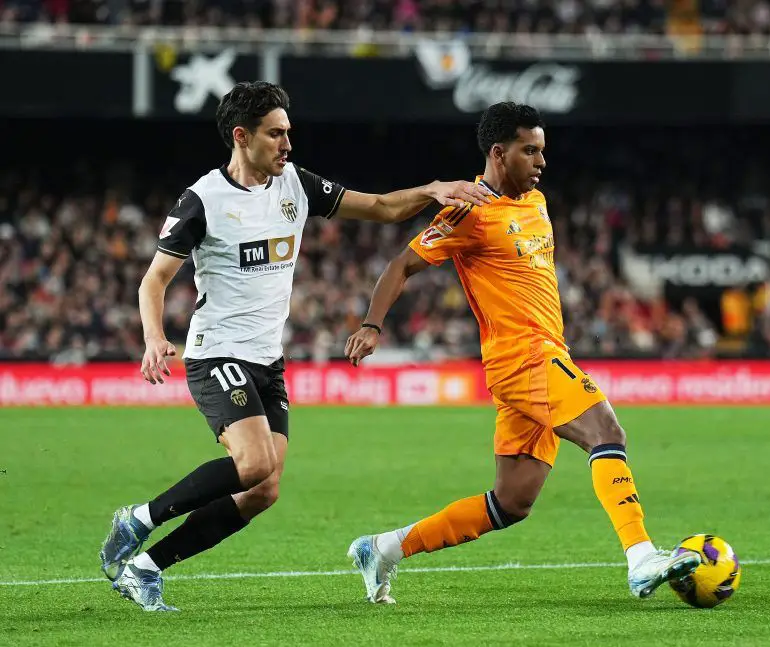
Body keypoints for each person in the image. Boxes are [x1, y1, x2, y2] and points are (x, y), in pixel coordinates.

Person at [98, 81, 492, 611]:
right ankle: (137, 519)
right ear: (242, 136)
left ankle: (145, 567)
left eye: (289, 133)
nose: (288, 144)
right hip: (218, 352)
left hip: (267, 359)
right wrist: (153, 338)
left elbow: (378, 207)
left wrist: (433, 189)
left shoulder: (295, 186)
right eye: (276, 134)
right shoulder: (203, 200)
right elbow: (154, 280)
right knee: (256, 463)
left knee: (263, 489)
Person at [343, 101, 700, 604]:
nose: (540, 161)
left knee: (511, 503)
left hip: (542, 358)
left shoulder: (536, 203)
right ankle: (642, 559)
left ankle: (382, 548)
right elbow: (401, 264)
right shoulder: (469, 212)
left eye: (542, 150)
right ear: (498, 152)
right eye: (529, 150)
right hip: (522, 358)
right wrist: (372, 325)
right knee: (606, 431)